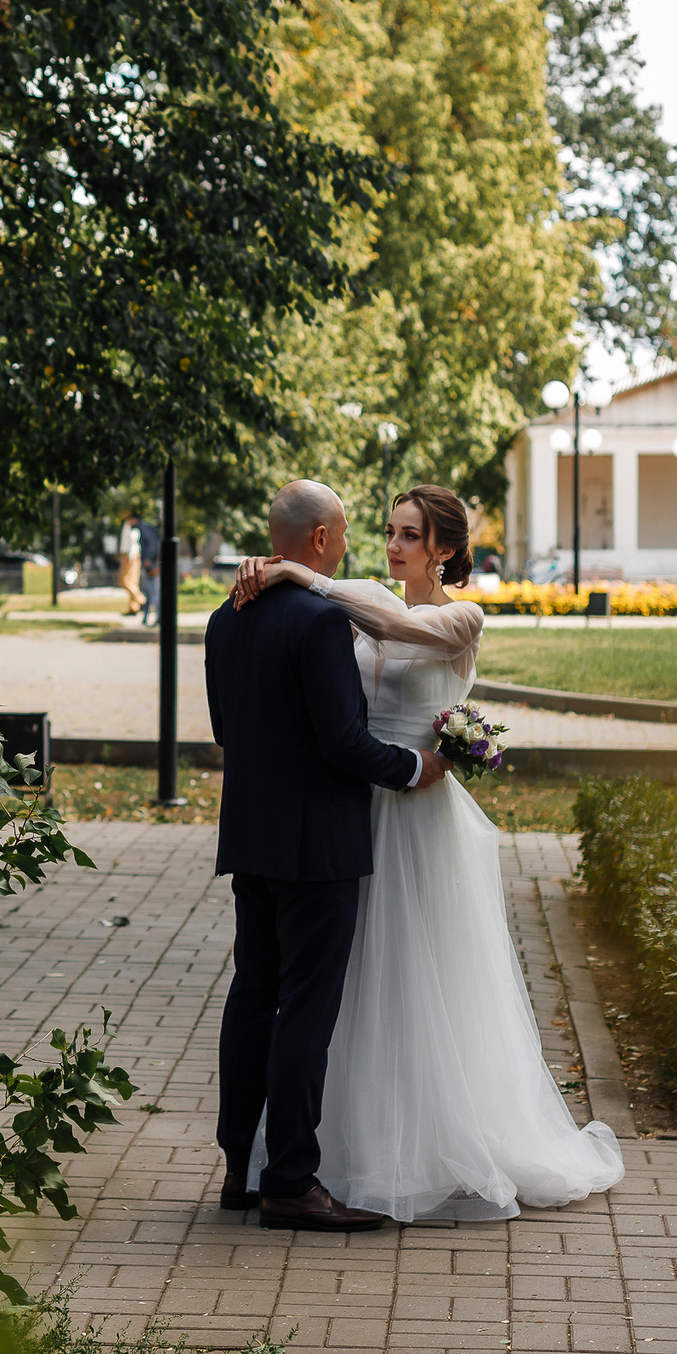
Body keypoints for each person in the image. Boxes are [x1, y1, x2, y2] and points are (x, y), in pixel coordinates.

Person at [230, 485, 623, 1223]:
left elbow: (397, 626)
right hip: (356, 806)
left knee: (421, 979)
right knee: (345, 989)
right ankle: (330, 1149)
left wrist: (296, 571)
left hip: (423, 813)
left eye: (410, 535)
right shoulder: (361, 594)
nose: (393, 545)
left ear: (444, 547)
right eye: (387, 531)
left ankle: (427, 1143)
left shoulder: (461, 615)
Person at [203, 481, 439, 1232]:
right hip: (320, 847)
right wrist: (411, 769)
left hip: (251, 837)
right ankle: (293, 1181)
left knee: (251, 998)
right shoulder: (320, 622)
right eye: (342, 533)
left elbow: (224, 727)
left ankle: (238, 1164)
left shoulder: (223, 618)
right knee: (306, 1011)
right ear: (319, 539)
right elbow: (344, 742)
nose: (348, 545)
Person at [116, 510, 144, 616]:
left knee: (125, 580)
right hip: (130, 555)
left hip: (130, 556)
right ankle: (134, 606)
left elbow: (132, 542)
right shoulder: (128, 526)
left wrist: (129, 556)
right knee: (132, 581)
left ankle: (140, 599)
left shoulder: (132, 528)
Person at [139, 514, 164, 626]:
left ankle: (158, 617)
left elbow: (151, 545)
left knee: (153, 591)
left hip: (150, 564)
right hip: (152, 563)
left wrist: (147, 559)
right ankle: (146, 617)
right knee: (149, 592)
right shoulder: (150, 529)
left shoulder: (144, 530)